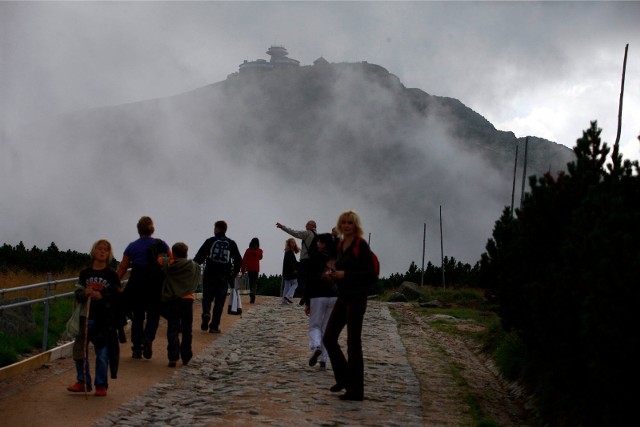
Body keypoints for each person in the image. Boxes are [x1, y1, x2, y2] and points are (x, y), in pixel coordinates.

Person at [323, 210, 377, 401]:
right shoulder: (341, 244)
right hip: (343, 296)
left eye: (350, 223)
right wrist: (333, 273)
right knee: (329, 338)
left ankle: (356, 391)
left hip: (357, 297)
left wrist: (345, 275)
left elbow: (371, 275)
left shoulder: (360, 244)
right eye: (344, 222)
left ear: (356, 226)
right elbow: (341, 266)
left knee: (353, 343)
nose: (346, 225)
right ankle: (345, 379)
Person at [67, 239, 125, 397]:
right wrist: (84, 293)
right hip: (85, 316)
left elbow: (118, 296)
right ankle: (82, 381)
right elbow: (77, 292)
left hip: (103, 319)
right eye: (99, 249)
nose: (102, 251)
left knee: (102, 353)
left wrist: (102, 295)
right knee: (80, 351)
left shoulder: (112, 275)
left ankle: (101, 385)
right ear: (93, 252)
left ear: (109, 255)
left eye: (106, 250)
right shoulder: (85, 274)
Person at [117, 216, 171, 360]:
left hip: (137, 282)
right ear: (151, 229)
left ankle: (136, 349)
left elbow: (123, 267)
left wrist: (114, 282)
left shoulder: (132, 246)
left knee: (138, 316)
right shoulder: (161, 244)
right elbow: (171, 262)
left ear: (138, 229)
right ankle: (148, 338)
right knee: (154, 314)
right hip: (155, 283)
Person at [193, 220, 242, 333]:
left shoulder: (210, 241)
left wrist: (193, 268)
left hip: (209, 274)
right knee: (219, 302)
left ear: (217, 229)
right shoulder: (231, 243)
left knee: (207, 298)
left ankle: (206, 313)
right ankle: (214, 326)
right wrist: (235, 271)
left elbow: (199, 257)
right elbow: (238, 259)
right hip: (224, 276)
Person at [158, 242, 200, 368]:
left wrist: (168, 256)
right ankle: (186, 356)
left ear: (174, 253)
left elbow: (159, 259)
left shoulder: (170, 264)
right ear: (186, 253)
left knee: (173, 328)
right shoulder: (193, 266)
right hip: (187, 300)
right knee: (187, 329)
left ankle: (173, 357)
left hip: (173, 300)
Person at [304, 233, 338, 371]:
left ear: (323, 243)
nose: (317, 244)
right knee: (326, 328)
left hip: (318, 295)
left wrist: (307, 302)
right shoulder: (336, 258)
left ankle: (316, 346)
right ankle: (323, 360)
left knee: (315, 326)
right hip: (334, 296)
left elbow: (309, 280)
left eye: (319, 242)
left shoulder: (315, 258)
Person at [275, 220, 317, 304]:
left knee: (300, 280)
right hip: (314, 260)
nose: (305, 225)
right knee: (310, 279)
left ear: (312, 226)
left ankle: (301, 295)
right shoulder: (317, 236)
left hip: (305, 260)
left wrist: (283, 227)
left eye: (307, 224)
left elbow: (295, 233)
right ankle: (307, 296)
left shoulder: (307, 233)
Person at [240, 237, 263, 304]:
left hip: (250, 269)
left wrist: (242, 270)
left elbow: (244, 260)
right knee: (254, 282)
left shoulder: (248, 251)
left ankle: (251, 295)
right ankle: (253, 292)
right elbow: (261, 257)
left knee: (250, 282)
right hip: (256, 269)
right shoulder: (259, 251)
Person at [281, 238, 300, 305]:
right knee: (295, 284)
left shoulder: (288, 251)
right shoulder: (289, 252)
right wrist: (295, 268)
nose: (293, 244)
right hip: (291, 271)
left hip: (286, 271)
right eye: (292, 242)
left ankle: (284, 300)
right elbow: (292, 263)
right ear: (289, 244)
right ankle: (289, 296)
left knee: (287, 285)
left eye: (294, 243)